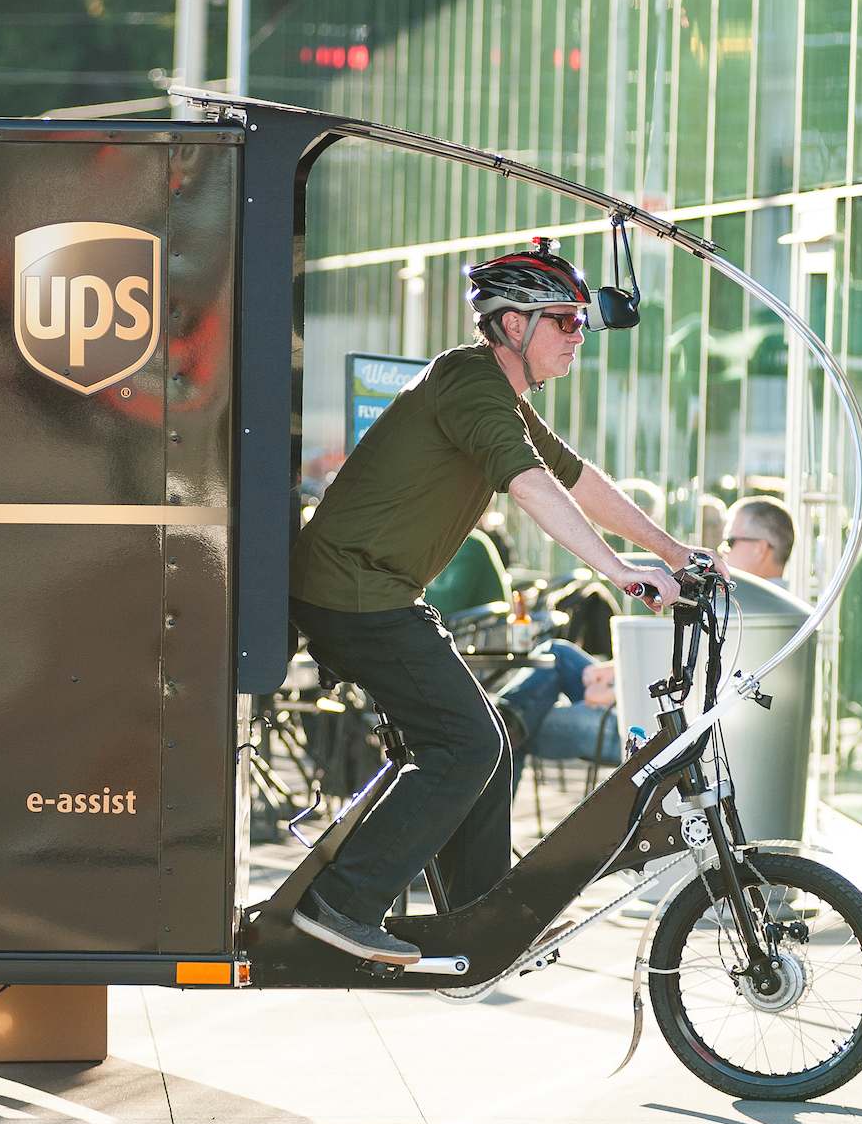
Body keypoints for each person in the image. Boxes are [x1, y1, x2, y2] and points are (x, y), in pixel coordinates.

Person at [286, 237, 702, 964]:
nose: (579, 336)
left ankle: (483, 915)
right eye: (564, 321)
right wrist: (614, 569)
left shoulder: (494, 390)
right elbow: (531, 485)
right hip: (353, 591)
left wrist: (673, 551)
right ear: (514, 325)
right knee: (467, 742)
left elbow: (573, 477)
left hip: (372, 591)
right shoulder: (471, 381)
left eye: (581, 322)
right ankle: (341, 903)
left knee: (488, 737)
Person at [499, 641, 619, 788]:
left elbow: (595, 696)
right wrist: (616, 667)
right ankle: (503, 718)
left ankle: (497, 723)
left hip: (632, 728)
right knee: (556, 652)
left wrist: (613, 692)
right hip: (622, 691)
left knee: (515, 726)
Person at [720, 496, 794, 585]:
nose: (722, 550)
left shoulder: (740, 598)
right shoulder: (793, 596)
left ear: (760, 550)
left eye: (730, 542)